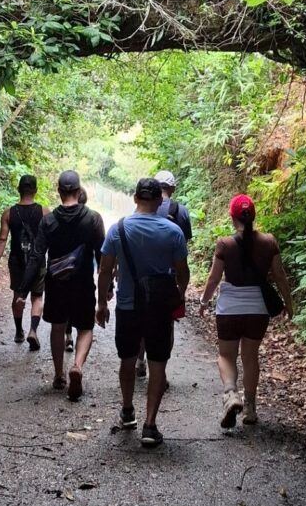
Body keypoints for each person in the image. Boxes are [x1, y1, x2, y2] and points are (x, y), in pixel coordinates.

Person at [96, 177, 189, 449]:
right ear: (160, 201)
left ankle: (127, 411)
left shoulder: (118, 229)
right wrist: (179, 293)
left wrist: (101, 303)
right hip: (160, 308)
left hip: (127, 305)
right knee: (158, 363)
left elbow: (104, 271)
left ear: (135, 198)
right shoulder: (173, 232)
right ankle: (150, 425)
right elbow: (182, 273)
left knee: (127, 359)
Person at [199, 193, 293, 428]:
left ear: (233, 218)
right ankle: (250, 408)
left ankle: (231, 394)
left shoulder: (225, 244)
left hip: (229, 309)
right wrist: (289, 303)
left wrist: (204, 301)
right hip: (257, 309)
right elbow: (280, 276)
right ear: (254, 215)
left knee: (226, 355)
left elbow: (213, 278)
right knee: (250, 357)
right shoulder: (269, 242)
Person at [21, 170, 105, 400]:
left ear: (59, 192)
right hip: (83, 282)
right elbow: (102, 255)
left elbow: (37, 256)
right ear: (78, 192)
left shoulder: (48, 221)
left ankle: (59, 374)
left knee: (58, 327)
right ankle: (77, 365)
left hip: (56, 283)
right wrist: (107, 286)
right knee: (85, 327)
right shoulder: (93, 218)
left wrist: (23, 289)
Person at [134, 169, 192, 379]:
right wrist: (182, 288)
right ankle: (161, 371)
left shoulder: (142, 207)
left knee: (142, 320)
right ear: (173, 188)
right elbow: (183, 247)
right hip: (170, 278)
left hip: (141, 275)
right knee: (166, 324)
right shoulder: (181, 211)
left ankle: (140, 362)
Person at [0, 173, 47, 349]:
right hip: (37, 261)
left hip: (17, 261)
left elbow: (2, 238)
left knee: (17, 295)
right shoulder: (44, 212)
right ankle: (33, 331)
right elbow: (50, 237)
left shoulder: (9, 213)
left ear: (18, 190)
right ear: (35, 190)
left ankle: (18, 331)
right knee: (37, 297)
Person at [65, 187, 89, 353]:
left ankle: (68, 336)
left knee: (66, 306)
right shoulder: (91, 219)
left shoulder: (58, 217)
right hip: (83, 273)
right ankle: (78, 364)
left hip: (63, 272)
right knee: (83, 317)